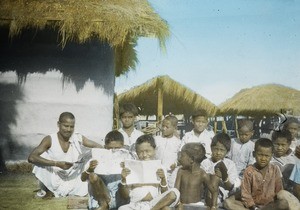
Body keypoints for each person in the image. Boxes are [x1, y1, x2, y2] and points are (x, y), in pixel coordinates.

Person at [28, 112, 102, 198]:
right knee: (40, 160)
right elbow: (31, 158)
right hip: (55, 176)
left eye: (72, 126)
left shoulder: (77, 137)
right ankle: (49, 189)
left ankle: (68, 190)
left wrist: (110, 149)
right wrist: (56, 163)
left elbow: (97, 146)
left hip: (74, 177)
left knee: (91, 156)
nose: (69, 129)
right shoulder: (50, 139)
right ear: (58, 124)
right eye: (66, 126)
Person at [225, 138, 291, 210]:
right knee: (228, 203)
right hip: (253, 206)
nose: (263, 158)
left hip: (270, 206)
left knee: (283, 203)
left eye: (266, 156)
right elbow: (246, 193)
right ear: (254, 154)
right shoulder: (249, 171)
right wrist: (253, 207)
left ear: (271, 156)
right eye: (260, 155)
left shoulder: (275, 169)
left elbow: (279, 190)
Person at [118, 134, 180, 210]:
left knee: (174, 192)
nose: (144, 155)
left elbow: (164, 193)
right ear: (136, 153)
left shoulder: (160, 167)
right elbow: (125, 196)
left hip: (154, 204)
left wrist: (163, 179)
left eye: (147, 151)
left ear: (154, 150)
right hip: (136, 205)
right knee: (122, 209)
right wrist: (124, 179)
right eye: (140, 152)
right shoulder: (131, 167)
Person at [81, 130, 133, 210]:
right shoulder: (98, 155)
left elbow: (134, 179)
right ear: (105, 147)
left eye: (117, 148)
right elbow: (83, 178)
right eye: (110, 148)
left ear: (122, 146)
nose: (113, 151)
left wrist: (127, 169)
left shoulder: (128, 157)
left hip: (120, 196)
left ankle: (110, 204)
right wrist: (90, 169)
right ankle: (103, 204)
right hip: (101, 194)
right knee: (92, 176)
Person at [174, 143, 218, 210]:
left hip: (197, 206)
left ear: (191, 159)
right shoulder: (181, 171)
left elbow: (214, 191)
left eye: (182, 156)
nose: (180, 158)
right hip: (182, 205)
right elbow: (176, 191)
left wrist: (214, 206)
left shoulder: (202, 174)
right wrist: (178, 203)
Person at [201, 133, 240, 205]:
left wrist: (224, 177)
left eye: (222, 150)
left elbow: (231, 188)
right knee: (213, 178)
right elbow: (201, 182)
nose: (218, 153)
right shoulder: (205, 163)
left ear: (227, 152)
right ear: (211, 148)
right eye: (216, 149)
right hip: (206, 193)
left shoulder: (230, 164)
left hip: (223, 194)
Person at [155, 115, 181, 187]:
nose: (163, 129)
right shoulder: (156, 139)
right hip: (157, 171)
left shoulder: (178, 142)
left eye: (167, 127)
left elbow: (179, 157)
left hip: (171, 172)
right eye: (163, 126)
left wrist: (175, 164)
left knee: (169, 189)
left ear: (174, 128)